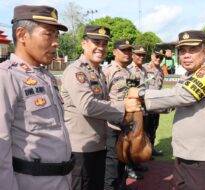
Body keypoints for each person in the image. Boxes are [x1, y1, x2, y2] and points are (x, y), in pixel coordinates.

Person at [127, 30, 205, 190]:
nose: (186, 55)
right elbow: (171, 104)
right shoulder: (189, 76)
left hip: (203, 158)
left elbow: (182, 96)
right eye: (182, 51)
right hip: (185, 155)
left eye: (193, 50)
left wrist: (140, 93)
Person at [0, 5, 74, 190]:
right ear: (22, 34)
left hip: (62, 180)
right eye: (48, 34)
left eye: (56, 36)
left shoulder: (46, 77)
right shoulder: (6, 76)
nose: (56, 42)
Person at [61, 27, 139, 190]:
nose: (101, 48)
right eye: (96, 42)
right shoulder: (76, 71)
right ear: (84, 44)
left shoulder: (98, 72)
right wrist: (123, 107)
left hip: (99, 144)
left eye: (104, 44)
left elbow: (104, 103)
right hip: (81, 148)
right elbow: (87, 106)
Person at [103, 38, 137, 190]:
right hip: (112, 125)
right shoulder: (107, 71)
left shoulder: (129, 72)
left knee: (123, 158)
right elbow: (102, 99)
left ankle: (122, 185)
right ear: (115, 52)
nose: (128, 53)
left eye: (130, 50)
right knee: (112, 163)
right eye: (124, 50)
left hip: (126, 123)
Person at [126, 45, 149, 180]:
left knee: (139, 138)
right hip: (132, 110)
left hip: (142, 109)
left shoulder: (144, 69)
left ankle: (136, 162)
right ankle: (129, 167)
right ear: (133, 56)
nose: (141, 57)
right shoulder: (129, 69)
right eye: (138, 54)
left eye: (143, 55)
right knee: (131, 140)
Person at [143, 46, 165, 157]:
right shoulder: (144, 68)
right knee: (145, 129)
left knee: (154, 127)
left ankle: (151, 148)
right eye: (157, 56)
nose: (159, 59)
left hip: (157, 105)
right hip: (146, 105)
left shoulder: (161, 71)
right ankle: (144, 150)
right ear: (152, 56)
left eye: (161, 58)